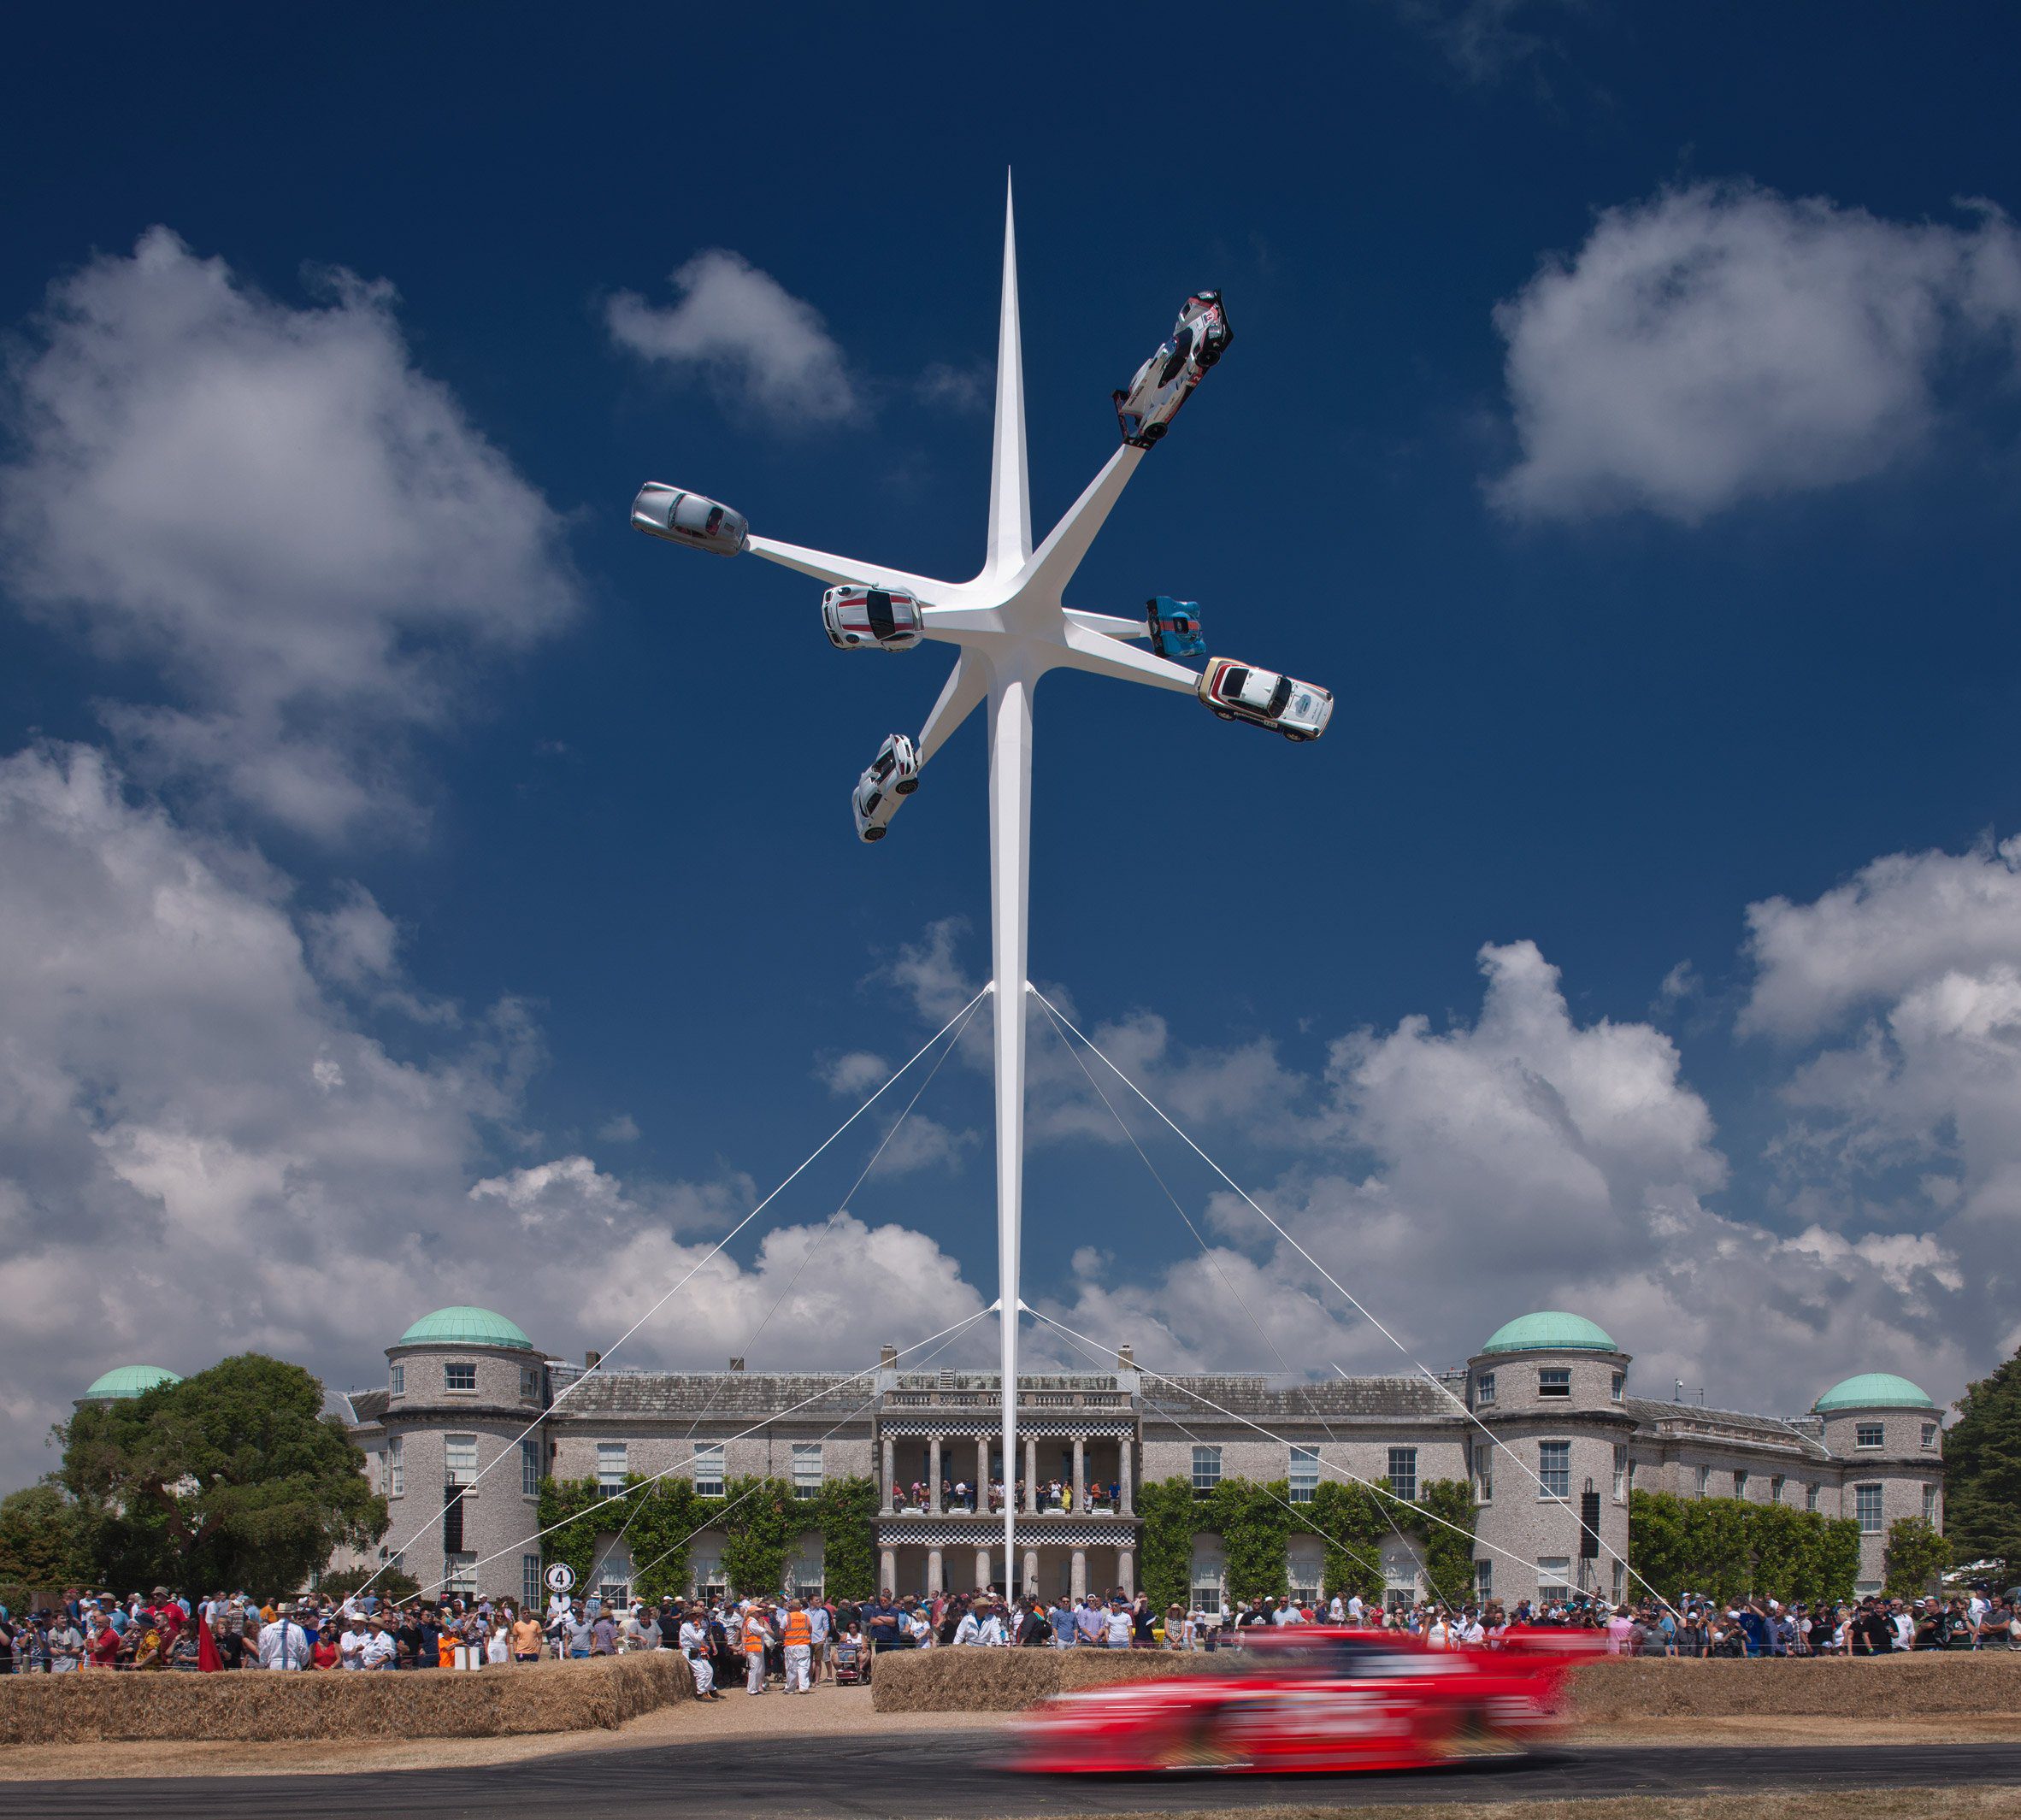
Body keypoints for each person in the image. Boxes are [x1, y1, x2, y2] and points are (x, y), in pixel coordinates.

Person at [782, 1599, 813, 1693]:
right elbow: (810, 1630)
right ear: (800, 1607)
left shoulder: (786, 1617)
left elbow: (781, 1630)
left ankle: (790, 1689)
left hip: (791, 1645)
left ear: (791, 1607)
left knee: (791, 1668)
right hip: (803, 1645)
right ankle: (803, 1688)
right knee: (803, 1667)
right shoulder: (806, 1617)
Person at [742, 1601, 770, 1695]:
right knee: (755, 1669)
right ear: (754, 1613)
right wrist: (762, 1624)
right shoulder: (751, 1622)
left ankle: (755, 1688)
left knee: (759, 1669)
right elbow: (761, 1631)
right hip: (753, 1648)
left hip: (756, 1648)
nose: (760, 1613)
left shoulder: (751, 1621)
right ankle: (751, 1689)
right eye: (758, 1612)